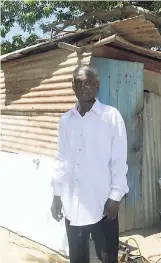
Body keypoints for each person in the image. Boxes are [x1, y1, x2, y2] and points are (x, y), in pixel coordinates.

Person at [51, 65, 129, 263]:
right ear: (72, 86)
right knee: (77, 258)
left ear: (97, 85)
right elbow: (62, 159)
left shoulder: (111, 116)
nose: (82, 86)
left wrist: (115, 197)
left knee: (108, 257)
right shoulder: (65, 120)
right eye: (77, 82)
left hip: (102, 205)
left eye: (87, 82)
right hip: (72, 205)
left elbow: (119, 160)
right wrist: (57, 195)